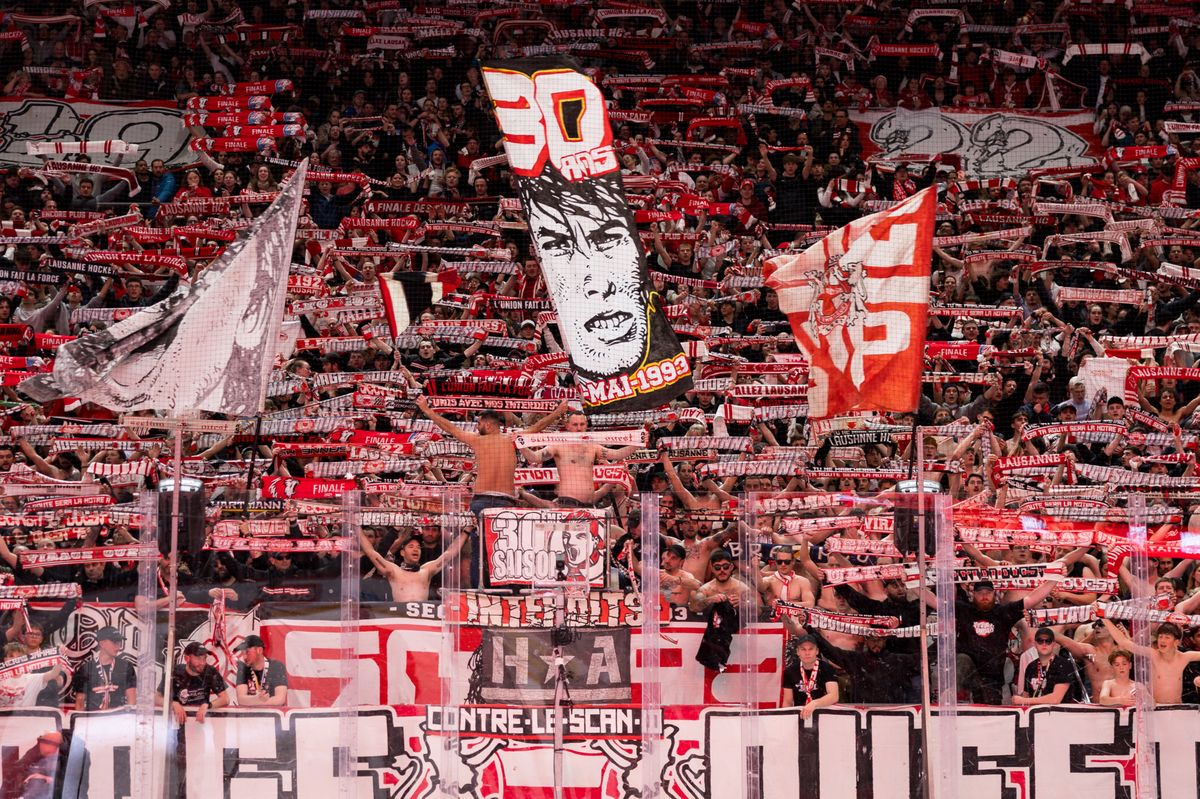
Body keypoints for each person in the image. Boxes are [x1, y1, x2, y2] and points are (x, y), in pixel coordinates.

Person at [944, 575, 1065, 704]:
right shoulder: (964, 609)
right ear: (973, 594)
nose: (984, 596)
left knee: (991, 712)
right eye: (980, 593)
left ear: (994, 593)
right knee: (962, 659)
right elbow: (935, 602)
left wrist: (1054, 577)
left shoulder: (1003, 612)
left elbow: (1031, 599)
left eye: (988, 593)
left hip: (991, 676)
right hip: (966, 669)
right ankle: (952, 695)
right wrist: (919, 576)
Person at [518, 410, 640, 506]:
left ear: (586, 425)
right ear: (567, 426)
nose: (579, 428)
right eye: (575, 424)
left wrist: (640, 441)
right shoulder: (558, 445)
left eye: (582, 424)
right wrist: (521, 444)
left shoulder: (593, 447)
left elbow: (618, 454)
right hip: (568, 504)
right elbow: (534, 457)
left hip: (590, 504)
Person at [1099, 615, 1200, 705]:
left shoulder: (1185, 657)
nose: (1162, 640)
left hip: (1177, 707)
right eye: (1160, 637)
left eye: (1167, 637)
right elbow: (1124, 643)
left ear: (1176, 642)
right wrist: (1104, 618)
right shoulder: (1153, 654)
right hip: (1157, 708)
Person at [357, 527, 467, 601]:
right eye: (411, 546)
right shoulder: (394, 571)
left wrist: (466, 531)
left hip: (423, 621)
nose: (415, 549)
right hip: (401, 621)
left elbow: (449, 553)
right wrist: (356, 527)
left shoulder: (426, 571)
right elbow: (371, 552)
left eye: (418, 547)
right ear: (402, 552)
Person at [1012, 626, 1085, 705]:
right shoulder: (1031, 666)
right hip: (1036, 714)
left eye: (1048, 641)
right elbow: (1026, 695)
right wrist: (1023, 702)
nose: (1044, 644)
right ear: (1035, 644)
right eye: (1040, 641)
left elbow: (1055, 699)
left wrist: (1023, 700)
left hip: (1059, 714)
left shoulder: (1064, 665)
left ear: (1053, 643)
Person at [71, 627, 136, 711]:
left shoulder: (126, 666)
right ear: (102, 644)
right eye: (115, 642)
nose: (118, 647)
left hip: (118, 719)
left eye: (120, 643)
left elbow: (132, 700)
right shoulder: (86, 668)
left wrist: (127, 720)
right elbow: (80, 702)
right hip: (93, 720)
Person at [164, 642, 230, 725]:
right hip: (176, 722)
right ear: (187, 658)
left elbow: (225, 699)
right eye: (199, 658)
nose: (203, 663)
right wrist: (173, 703)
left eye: (204, 658)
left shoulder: (210, 671)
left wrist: (207, 705)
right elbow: (157, 697)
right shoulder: (175, 672)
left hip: (199, 723)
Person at [780, 634, 840, 717]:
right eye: (803, 649)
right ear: (798, 652)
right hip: (800, 715)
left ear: (817, 651)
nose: (807, 653)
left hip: (824, 715)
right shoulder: (790, 671)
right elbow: (787, 701)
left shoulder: (827, 668)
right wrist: (785, 719)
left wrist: (814, 703)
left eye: (811, 649)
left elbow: (834, 696)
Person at [234, 635, 288, 707]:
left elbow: (280, 699)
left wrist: (255, 701)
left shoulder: (276, 666)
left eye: (247, 652)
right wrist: (257, 699)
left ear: (259, 650)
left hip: (272, 715)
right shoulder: (243, 669)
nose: (244, 657)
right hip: (250, 716)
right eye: (242, 653)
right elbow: (241, 700)